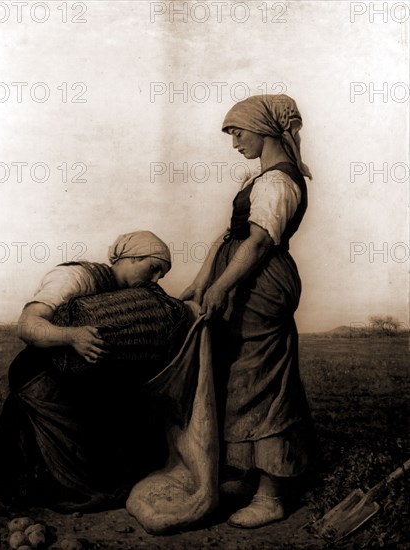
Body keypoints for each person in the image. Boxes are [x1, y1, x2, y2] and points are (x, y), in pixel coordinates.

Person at [0, 230, 176, 510]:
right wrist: (71, 336)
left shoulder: (132, 295)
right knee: (32, 468)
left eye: (161, 275)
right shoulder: (77, 277)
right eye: (153, 269)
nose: (155, 280)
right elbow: (27, 325)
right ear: (132, 257)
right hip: (41, 375)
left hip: (79, 380)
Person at [180, 95, 315, 528]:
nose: (234, 142)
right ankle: (245, 473)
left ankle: (273, 493)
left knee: (262, 379)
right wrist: (203, 281)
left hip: (261, 286)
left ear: (262, 129)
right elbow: (228, 236)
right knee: (235, 373)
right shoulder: (256, 179)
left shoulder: (278, 181)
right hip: (241, 283)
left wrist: (220, 286)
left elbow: (258, 243)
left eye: (237, 132)